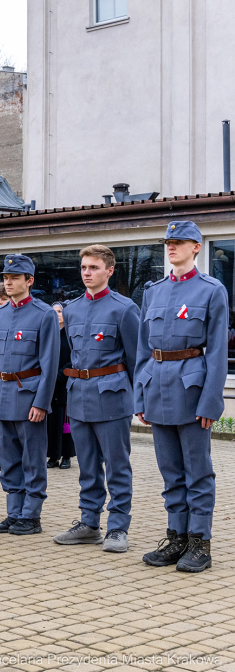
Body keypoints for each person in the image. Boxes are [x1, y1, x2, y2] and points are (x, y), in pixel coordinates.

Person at [137, 221, 227, 572]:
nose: (171, 247)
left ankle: (199, 543)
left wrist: (211, 401)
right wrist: (141, 396)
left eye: (179, 242)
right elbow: (146, 349)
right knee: (170, 471)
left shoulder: (211, 289)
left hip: (192, 388)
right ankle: (176, 537)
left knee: (198, 472)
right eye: (168, 242)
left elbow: (217, 350)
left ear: (196, 247)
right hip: (158, 387)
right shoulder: (154, 290)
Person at [49, 245, 140, 554]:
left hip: (112, 396)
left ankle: (117, 527)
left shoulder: (124, 308)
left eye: (94, 267)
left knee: (116, 465)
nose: (87, 273)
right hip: (79, 396)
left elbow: (136, 360)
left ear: (109, 271)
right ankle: (89, 523)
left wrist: (137, 401)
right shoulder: (72, 309)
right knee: (87, 465)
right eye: (84, 267)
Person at [0, 254, 60, 536]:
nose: (8, 282)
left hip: (29, 397)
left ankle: (31, 514)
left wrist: (41, 402)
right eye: (5, 278)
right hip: (1, 395)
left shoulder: (44, 314)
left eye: (14, 278)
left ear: (29, 281)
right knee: (9, 458)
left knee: (32, 459)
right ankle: (14, 511)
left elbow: (50, 363)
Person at [46, 303, 76, 470]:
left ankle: (66, 456)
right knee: (51, 423)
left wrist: (61, 374)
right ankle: (52, 456)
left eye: (59, 311)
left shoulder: (70, 335)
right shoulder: (49, 334)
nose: (56, 314)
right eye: (53, 312)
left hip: (64, 384)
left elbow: (75, 358)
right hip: (50, 386)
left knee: (65, 423)